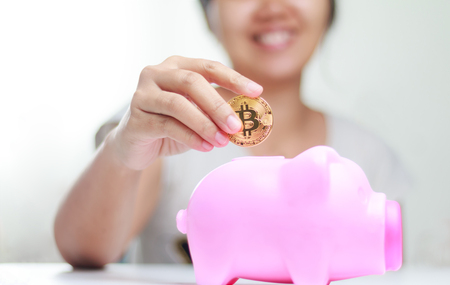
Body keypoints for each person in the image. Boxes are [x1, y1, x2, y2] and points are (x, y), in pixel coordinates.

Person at [54, 0, 411, 267]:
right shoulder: (159, 121)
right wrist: (122, 149)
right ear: (209, 14)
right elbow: (84, 251)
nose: (273, 7)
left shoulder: (369, 156)